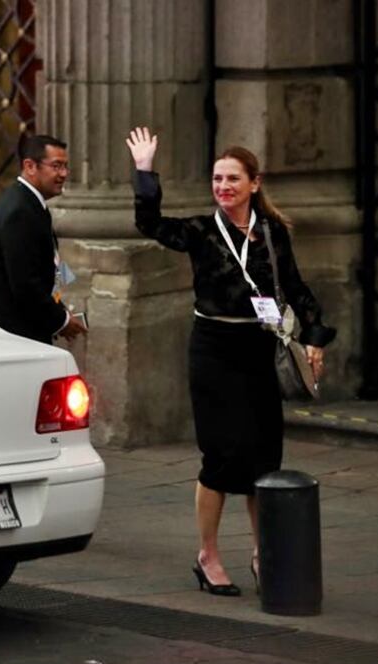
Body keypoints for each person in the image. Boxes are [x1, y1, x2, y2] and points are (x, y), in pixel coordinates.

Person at [125, 127, 335, 596]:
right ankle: (209, 554)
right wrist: (144, 171)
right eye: (217, 179)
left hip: (258, 351)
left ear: (254, 184)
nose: (223, 186)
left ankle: (265, 553)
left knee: (264, 459)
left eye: (232, 179)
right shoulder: (201, 230)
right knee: (221, 458)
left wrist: (316, 336)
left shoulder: (271, 233)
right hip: (214, 353)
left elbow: (297, 289)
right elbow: (151, 225)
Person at [0, 134, 88, 344]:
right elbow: (25, 284)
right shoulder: (20, 211)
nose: (64, 174)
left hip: (20, 327)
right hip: (10, 332)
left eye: (65, 167)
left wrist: (58, 311)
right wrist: (61, 321)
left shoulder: (29, 203)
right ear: (30, 166)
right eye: (56, 166)